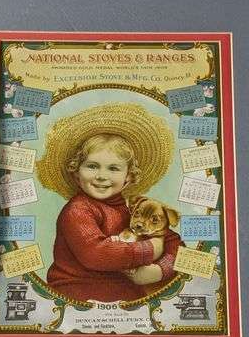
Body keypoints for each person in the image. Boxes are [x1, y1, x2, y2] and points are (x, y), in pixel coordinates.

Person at [36, 103, 182, 302]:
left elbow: (174, 243)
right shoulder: (78, 210)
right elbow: (96, 254)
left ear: (128, 177)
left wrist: (159, 270)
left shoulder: (133, 211)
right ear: (77, 173)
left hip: (127, 294)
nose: (101, 176)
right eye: (92, 166)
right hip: (78, 292)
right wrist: (151, 248)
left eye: (113, 169)